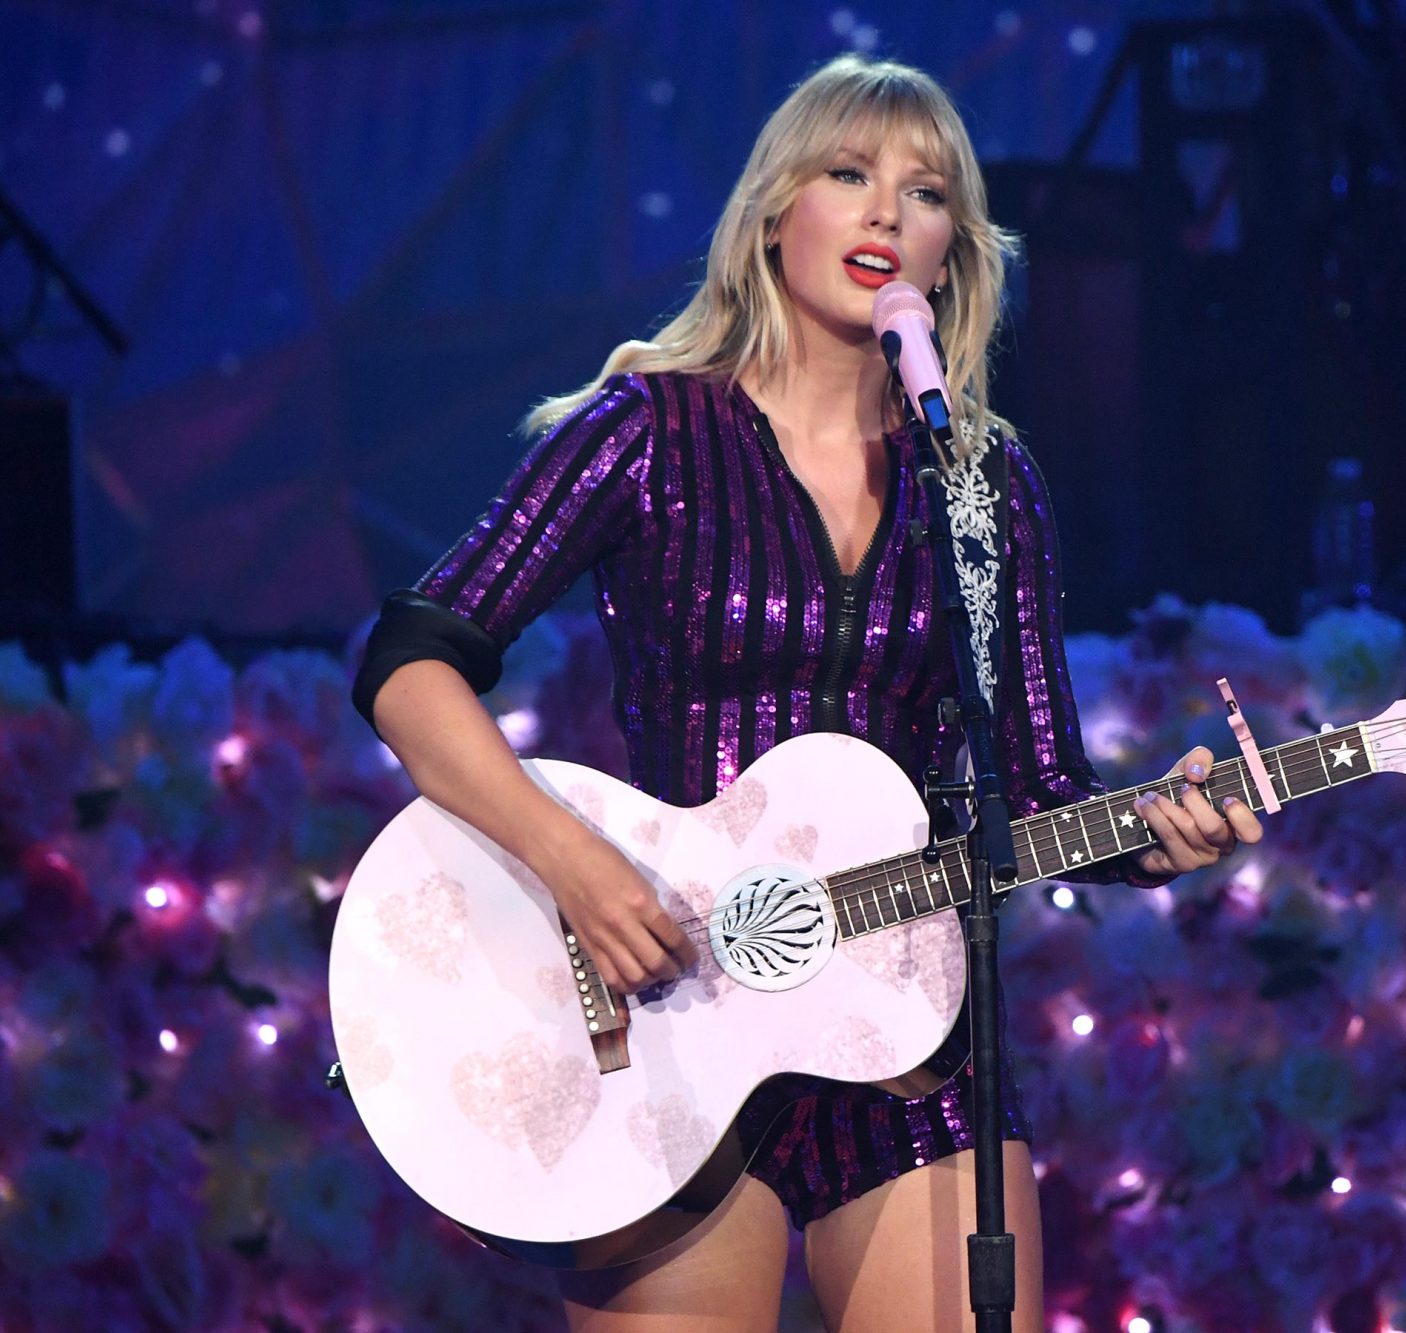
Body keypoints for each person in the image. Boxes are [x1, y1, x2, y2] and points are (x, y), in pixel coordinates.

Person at [351, 54, 1262, 1333]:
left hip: (905, 1040)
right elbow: (409, 660)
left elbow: (1041, 788)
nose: (888, 212)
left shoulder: (984, 483)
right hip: (663, 1022)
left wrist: (1157, 834)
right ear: (778, 213)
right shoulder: (647, 433)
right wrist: (574, 865)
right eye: (849, 175)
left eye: (925, 192)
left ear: (952, 254)